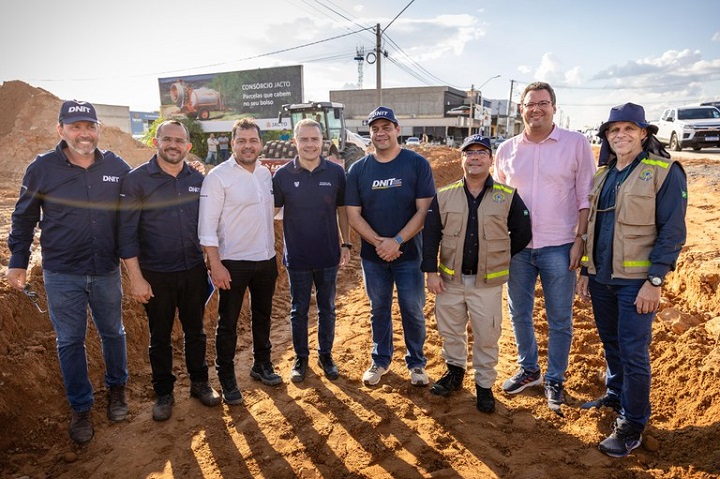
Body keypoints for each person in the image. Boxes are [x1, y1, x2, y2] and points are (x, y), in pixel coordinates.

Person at [6, 100, 130, 444]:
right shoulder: (42, 168)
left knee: (114, 333)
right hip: (62, 273)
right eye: (75, 127)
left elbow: (140, 201)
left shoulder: (117, 166)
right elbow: (24, 215)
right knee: (70, 340)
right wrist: (17, 260)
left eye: (89, 126)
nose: (83, 133)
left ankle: (118, 391)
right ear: (60, 130)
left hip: (106, 268)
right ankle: (81, 407)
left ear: (98, 130)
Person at [576, 103, 687, 457]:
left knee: (633, 351)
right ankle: (615, 394)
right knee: (611, 344)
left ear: (644, 133)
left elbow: (673, 230)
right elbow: (593, 228)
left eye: (628, 129)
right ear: (607, 137)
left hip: (637, 282)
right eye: (613, 130)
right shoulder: (602, 175)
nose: (620, 135)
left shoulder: (664, 171)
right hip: (602, 278)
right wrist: (585, 271)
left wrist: (654, 280)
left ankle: (633, 424)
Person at [493, 82, 596, 414]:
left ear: (554, 106)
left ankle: (555, 378)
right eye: (529, 104)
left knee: (560, 318)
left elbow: (586, 197)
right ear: (520, 109)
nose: (535, 109)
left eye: (543, 103)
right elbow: (499, 200)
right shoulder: (506, 149)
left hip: (560, 245)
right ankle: (529, 370)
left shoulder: (576, 144)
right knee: (519, 312)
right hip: (518, 248)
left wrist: (579, 241)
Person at [118, 120, 221, 421]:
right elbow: (126, 233)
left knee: (196, 331)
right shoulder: (136, 180)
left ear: (188, 146)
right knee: (159, 336)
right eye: (167, 139)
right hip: (155, 275)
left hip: (192, 271)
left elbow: (211, 223)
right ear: (156, 142)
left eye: (179, 140)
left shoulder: (199, 180)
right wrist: (136, 278)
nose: (173, 145)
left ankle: (200, 384)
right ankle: (163, 393)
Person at [422, 134, 532, 413]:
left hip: (486, 284)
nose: (475, 158)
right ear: (461, 159)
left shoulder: (507, 196)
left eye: (481, 152)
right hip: (450, 282)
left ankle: (484, 386)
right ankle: (454, 373)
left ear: (490, 159)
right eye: (469, 153)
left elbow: (522, 232)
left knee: (486, 335)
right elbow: (431, 235)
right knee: (451, 331)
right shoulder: (444, 195)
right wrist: (430, 272)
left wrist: (499, 258)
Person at [345, 106, 436, 387]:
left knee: (412, 308)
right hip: (373, 257)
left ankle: (417, 363)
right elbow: (353, 214)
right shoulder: (358, 169)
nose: (380, 133)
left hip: (408, 255)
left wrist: (396, 241)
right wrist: (379, 243)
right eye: (375, 129)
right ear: (370, 133)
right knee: (379, 308)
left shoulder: (416, 164)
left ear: (397, 130)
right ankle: (380, 360)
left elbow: (424, 211)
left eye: (386, 127)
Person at [199, 117, 281, 405]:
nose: (248, 146)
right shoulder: (218, 177)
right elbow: (206, 226)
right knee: (228, 323)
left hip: (265, 260)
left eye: (253, 140)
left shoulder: (264, 174)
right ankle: (226, 377)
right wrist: (215, 264)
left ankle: (261, 365)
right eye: (242, 140)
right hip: (232, 263)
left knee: (262, 317)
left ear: (260, 143)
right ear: (231, 143)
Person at [272, 119, 351, 382]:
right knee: (299, 310)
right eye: (304, 139)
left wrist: (346, 244)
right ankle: (301, 358)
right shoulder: (282, 176)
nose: (309, 144)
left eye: (314, 139)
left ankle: (325, 355)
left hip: (328, 255)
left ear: (322, 142)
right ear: (295, 142)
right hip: (298, 258)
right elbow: (269, 213)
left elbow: (342, 211)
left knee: (327, 308)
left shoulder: (336, 173)